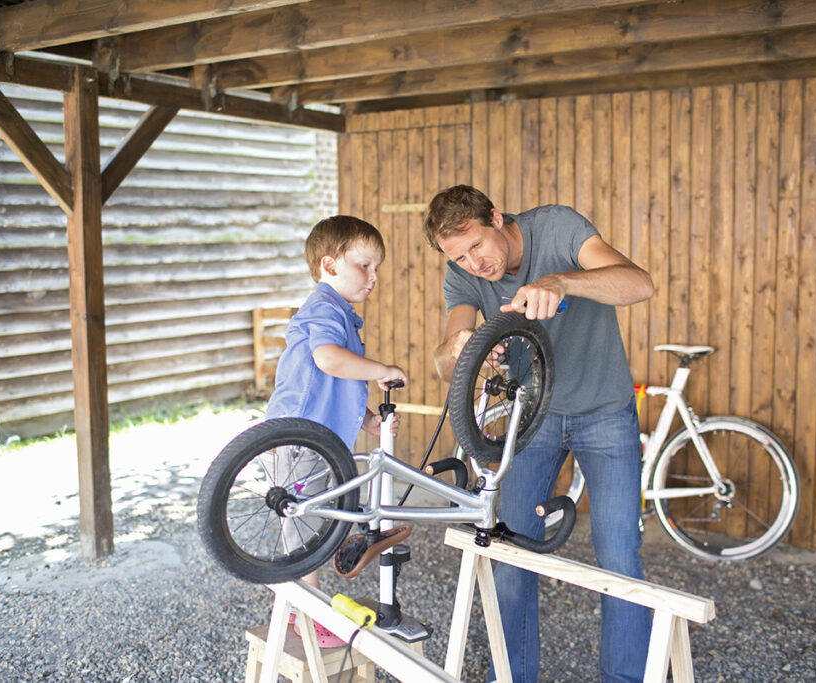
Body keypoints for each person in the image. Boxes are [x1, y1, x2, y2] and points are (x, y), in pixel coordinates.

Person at [422, 185, 655, 683]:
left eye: (477, 246)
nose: (473, 263)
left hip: (607, 413)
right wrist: (463, 351)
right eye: (459, 257)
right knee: (511, 552)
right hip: (535, 418)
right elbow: (444, 360)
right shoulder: (461, 273)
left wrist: (562, 282)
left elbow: (639, 285)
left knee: (619, 558)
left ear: (497, 217)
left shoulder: (558, 227)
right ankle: (512, 677)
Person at [265, 214, 407, 647]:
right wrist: (382, 368)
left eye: (377, 268)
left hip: (316, 442)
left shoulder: (339, 313)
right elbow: (328, 359)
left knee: (316, 528)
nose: (374, 277)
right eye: (364, 265)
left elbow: (334, 380)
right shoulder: (325, 308)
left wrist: (366, 419)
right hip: (299, 442)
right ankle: (302, 614)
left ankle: (299, 609)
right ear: (330, 265)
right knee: (308, 533)